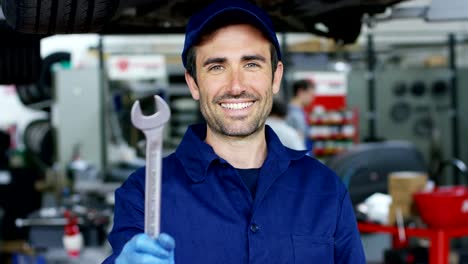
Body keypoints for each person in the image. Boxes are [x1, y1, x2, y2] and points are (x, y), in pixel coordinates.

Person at [103, 0, 365, 263]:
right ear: (193, 83)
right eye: (217, 67)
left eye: (251, 64)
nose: (236, 85)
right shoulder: (144, 192)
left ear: (275, 77)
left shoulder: (325, 189)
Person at [286, 79, 316, 149]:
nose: (312, 99)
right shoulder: (292, 113)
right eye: (311, 95)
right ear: (301, 92)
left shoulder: (300, 111)